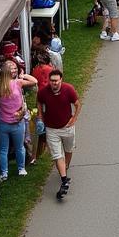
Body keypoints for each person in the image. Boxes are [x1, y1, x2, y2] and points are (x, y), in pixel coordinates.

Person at [36, 69, 79, 201]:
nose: (54, 83)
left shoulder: (69, 89)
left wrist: (73, 119)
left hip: (67, 127)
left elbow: (77, 104)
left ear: (61, 80)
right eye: (52, 80)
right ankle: (64, 179)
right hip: (51, 129)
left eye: (56, 80)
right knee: (56, 155)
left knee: (68, 150)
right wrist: (40, 117)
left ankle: (65, 167)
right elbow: (39, 103)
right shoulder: (43, 92)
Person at [0, 60, 37, 179]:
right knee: (19, 147)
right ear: (7, 72)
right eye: (13, 69)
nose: (15, 71)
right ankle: (21, 168)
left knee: (3, 149)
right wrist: (24, 75)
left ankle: (4, 173)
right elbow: (34, 81)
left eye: (15, 69)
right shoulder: (18, 83)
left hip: (3, 122)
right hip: (17, 121)